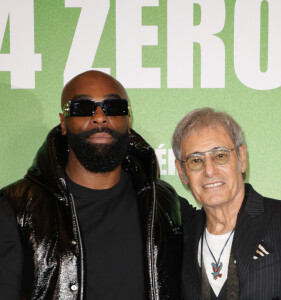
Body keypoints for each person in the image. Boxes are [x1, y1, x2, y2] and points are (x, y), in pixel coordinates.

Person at [0, 70, 185, 299]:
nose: (99, 116)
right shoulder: (16, 208)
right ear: (64, 123)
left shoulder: (163, 202)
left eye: (114, 107)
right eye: (83, 108)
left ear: (128, 120)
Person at [172, 107, 281, 300]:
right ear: (182, 173)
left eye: (220, 156)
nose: (209, 171)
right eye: (196, 160)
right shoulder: (179, 239)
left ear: (242, 159)